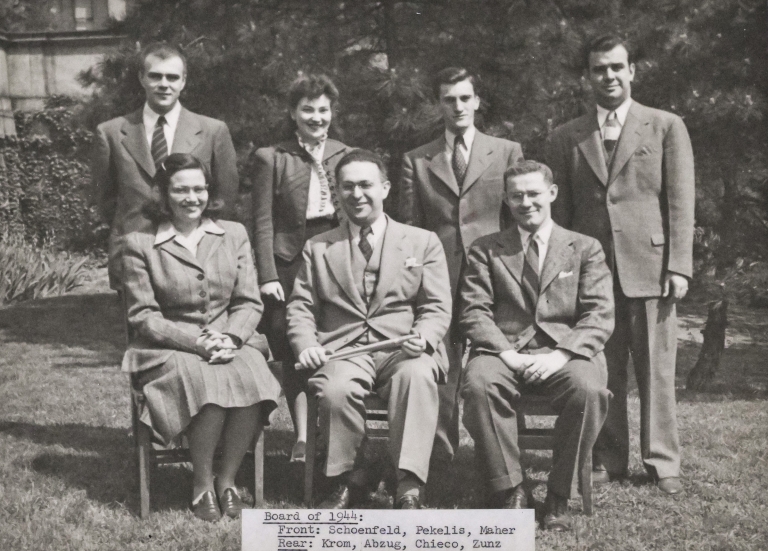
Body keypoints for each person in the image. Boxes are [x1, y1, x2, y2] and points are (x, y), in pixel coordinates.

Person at [547, 35, 695, 495]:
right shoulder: (566, 136)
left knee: (656, 369)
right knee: (601, 368)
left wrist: (679, 265)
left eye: (616, 68)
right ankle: (606, 457)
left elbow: (680, 201)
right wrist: (564, 277)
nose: (608, 77)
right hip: (592, 277)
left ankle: (662, 460)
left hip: (651, 267)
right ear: (586, 77)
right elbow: (561, 217)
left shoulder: (665, 126)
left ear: (632, 71)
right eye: (598, 69)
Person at [287, 149, 452, 509]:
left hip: (403, 348)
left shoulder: (422, 242)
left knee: (417, 377)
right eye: (347, 187)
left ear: (386, 188)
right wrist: (305, 345)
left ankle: (408, 484)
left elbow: (437, 306)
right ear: (338, 193)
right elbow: (301, 307)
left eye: (366, 185)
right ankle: (350, 478)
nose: (357, 194)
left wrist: (424, 337)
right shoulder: (318, 247)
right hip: (343, 349)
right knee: (335, 389)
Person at [121, 153, 281, 522]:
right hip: (167, 347)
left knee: (253, 375)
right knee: (203, 380)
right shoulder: (139, 242)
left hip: (228, 339)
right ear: (162, 194)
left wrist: (232, 338)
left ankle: (227, 480)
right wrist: (197, 344)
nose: (192, 197)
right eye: (181, 190)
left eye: (199, 188)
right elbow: (143, 315)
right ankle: (201, 482)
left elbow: (248, 300)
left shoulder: (233, 234)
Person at [459, 161, 613, 531]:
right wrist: (507, 354)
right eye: (517, 196)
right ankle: (511, 489)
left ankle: (559, 494)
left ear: (552, 194)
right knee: (479, 385)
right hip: (503, 349)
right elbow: (473, 311)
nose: (526, 202)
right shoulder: (486, 249)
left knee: (589, 390)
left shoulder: (585, 248)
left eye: (533, 193)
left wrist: (561, 356)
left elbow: (600, 313)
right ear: (507, 201)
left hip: (565, 351)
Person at [399, 67, 525, 463]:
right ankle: (440, 451)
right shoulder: (417, 160)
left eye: (465, 98)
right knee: (442, 364)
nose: (458, 106)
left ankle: (504, 451)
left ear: (477, 101)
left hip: (496, 272)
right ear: (440, 104)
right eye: (449, 99)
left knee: (501, 356)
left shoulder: (506, 152)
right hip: (439, 275)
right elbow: (409, 228)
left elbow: (516, 219)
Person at [249, 74, 351, 463]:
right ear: (293, 113)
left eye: (323, 109)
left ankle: (336, 427)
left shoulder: (345, 153)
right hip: (288, 257)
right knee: (292, 342)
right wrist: (268, 275)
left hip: (335, 251)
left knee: (333, 336)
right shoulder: (271, 157)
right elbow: (260, 221)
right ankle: (304, 435)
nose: (316, 117)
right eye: (308, 109)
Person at [91, 42, 239, 291]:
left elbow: (224, 197)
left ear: (183, 81)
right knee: (138, 327)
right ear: (141, 78)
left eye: (172, 77)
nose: (164, 84)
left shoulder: (213, 131)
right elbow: (104, 198)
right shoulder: (111, 133)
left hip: (195, 255)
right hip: (133, 253)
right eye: (155, 76)